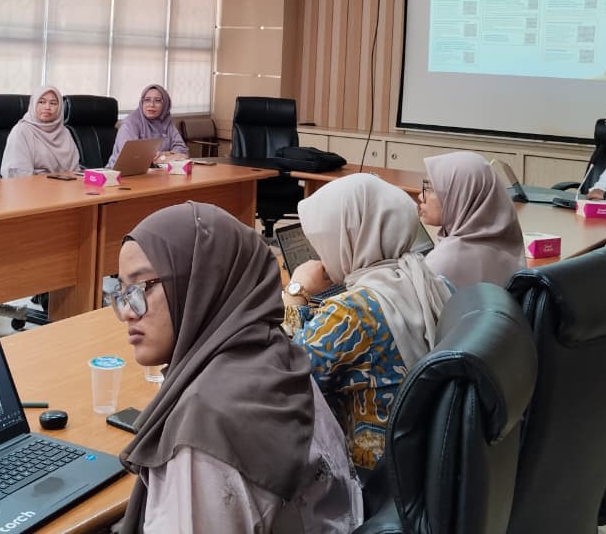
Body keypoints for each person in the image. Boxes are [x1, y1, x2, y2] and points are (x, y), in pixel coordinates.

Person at [113, 202, 362, 534]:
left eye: (142, 287)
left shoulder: (207, 427)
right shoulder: (276, 354)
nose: (127, 312)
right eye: (120, 292)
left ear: (204, 283)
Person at [281, 173, 450, 471]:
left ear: (349, 239)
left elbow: (283, 380)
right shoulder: (427, 279)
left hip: (367, 475)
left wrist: (295, 293)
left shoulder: (352, 313)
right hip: (421, 459)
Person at [420, 151, 526, 288]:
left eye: (430, 189)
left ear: (460, 195)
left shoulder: (445, 260)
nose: (421, 196)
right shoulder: (508, 241)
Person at [0, 85, 79, 177]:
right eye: (41, 102)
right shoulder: (21, 131)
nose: (47, 107)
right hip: (32, 184)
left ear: (60, 107)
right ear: (33, 104)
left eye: (53, 103)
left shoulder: (65, 132)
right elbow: (19, 174)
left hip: (66, 184)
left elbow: (75, 170)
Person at [107, 83, 186, 167]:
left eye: (157, 100)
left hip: (157, 171)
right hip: (121, 172)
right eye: (147, 100)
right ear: (142, 103)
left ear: (165, 104)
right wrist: (167, 157)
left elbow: (183, 151)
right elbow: (132, 156)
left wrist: (163, 155)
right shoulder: (130, 124)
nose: (151, 105)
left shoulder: (167, 122)